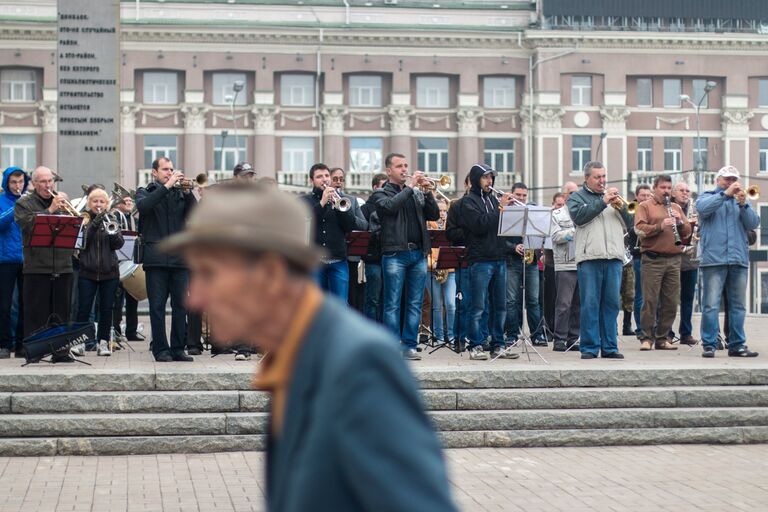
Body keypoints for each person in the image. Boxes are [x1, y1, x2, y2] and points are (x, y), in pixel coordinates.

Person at [160, 182, 457, 512]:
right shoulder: (293, 358)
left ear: (270, 271)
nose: (196, 295)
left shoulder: (358, 363)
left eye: (209, 273)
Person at [370, 153, 439, 360]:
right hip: (394, 253)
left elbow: (434, 215)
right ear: (389, 171)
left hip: (417, 253)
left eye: (406, 165)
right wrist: (411, 187)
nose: (404, 169)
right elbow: (391, 207)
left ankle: (409, 344)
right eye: (399, 166)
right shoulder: (381, 194)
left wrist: (427, 193)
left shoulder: (416, 194)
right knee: (392, 302)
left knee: (415, 302)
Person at [567, 161, 631, 360]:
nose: (602, 180)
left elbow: (632, 221)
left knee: (612, 304)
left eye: (604, 176)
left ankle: (610, 346)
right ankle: (590, 347)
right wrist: (603, 202)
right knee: (590, 303)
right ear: (586, 178)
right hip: (590, 258)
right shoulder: (576, 197)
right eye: (597, 177)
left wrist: (621, 206)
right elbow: (579, 217)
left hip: (613, 257)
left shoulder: (616, 199)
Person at [135, 157, 197, 362]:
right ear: (154, 172)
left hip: (180, 259)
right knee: (157, 307)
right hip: (156, 258)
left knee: (181, 306)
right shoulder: (145, 192)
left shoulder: (180, 194)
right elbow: (144, 208)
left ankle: (178, 348)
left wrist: (188, 194)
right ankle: (161, 349)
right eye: (165, 169)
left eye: (171, 169)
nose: (169, 172)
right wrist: (168, 186)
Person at [696, 165, 760, 358]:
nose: (731, 183)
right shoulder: (707, 196)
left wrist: (743, 204)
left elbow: (753, 223)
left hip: (738, 259)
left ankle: (737, 345)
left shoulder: (741, 201)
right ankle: (709, 344)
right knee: (711, 304)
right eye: (727, 179)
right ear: (718, 180)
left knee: (738, 305)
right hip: (714, 259)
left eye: (734, 179)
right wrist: (725, 195)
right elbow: (703, 209)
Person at [14, 166, 76, 362]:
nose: (48, 185)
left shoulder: (61, 200)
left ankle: (61, 351)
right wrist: (50, 210)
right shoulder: (24, 203)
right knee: (35, 312)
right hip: (36, 266)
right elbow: (26, 224)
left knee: (62, 312)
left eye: (50, 181)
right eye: (43, 182)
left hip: (63, 264)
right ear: (34, 183)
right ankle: (34, 352)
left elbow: (76, 227)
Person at [462, 164, 518, 360]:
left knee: (500, 306)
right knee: (478, 306)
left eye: (491, 178)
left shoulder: (494, 201)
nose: (490, 182)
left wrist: (509, 212)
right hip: (480, 260)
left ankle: (498, 345)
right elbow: (479, 225)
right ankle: (475, 345)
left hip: (499, 258)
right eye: (485, 178)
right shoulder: (468, 202)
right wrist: (501, 208)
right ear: (477, 179)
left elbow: (501, 227)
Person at [634, 175, 691, 351]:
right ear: (655, 188)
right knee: (650, 300)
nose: (666, 191)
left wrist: (680, 222)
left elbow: (688, 232)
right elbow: (639, 229)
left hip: (674, 259)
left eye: (668, 188)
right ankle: (646, 337)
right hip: (653, 259)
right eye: (663, 187)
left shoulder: (675, 207)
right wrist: (660, 226)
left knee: (671, 301)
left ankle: (662, 337)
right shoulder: (645, 206)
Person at [75, 188, 125, 356]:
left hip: (109, 272)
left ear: (106, 204)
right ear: (89, 203)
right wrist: (95, 224)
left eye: (102, 202)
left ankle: (103, 342)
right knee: (83, 308)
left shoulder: (112, 218)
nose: (98, 204)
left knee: (106, 309)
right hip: (87, 272)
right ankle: (80, 342)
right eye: (95, 201)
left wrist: (112, 231)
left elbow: (118, 244)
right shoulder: (84, 219)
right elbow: (82, 243)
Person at [302, 163, 356, 301]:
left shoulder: (340, 200)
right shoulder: (304, 201)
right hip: (315, 262)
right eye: (319, 176)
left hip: (338, 260)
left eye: (326, 176)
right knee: (314, 306)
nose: (325, 179)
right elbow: (307, 223)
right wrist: (322, 202)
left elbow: (349, 226)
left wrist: (338, 206)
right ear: (311, 181)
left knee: (341, 305)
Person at [504, 182, 545, 346]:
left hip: (531, 261)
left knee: (533, 300)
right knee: (512, 300)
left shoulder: (533, 213)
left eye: (524, 196)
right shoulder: (504, 213)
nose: (521, 198)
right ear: (512, 195)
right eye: (518, 195)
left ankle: (537, 335)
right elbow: (499, 239)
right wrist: (513, 247)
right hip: (511, 261)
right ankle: (512, 335)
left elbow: (541, 235)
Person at [329, 167, 368, 311]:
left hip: (349, 256)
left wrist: (347, 212)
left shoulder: (351, 200)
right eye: (335, 179)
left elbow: (364, 225)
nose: (338, 183)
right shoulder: (323, 200)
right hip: (327, 254)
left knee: (347, 297)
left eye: (341, 179)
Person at [0, 167, 28, 358]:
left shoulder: (29, 201)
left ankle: (20, 345)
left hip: (27, 259)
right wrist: (16, 206)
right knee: (4, 305)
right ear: (6, 184)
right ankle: (3, 344)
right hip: (5, 260)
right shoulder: (2, 201)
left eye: (20, 182)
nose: (18, 186)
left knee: (26, 304)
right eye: (13, 182)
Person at [550, 181, 580, 352]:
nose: (574, 195)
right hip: (565, 263)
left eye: (577, 192)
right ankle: (559, 339)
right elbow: (555, 236)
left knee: (578, 304)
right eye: (571, 192)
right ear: (565, 195)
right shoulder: (557, 214)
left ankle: (573, 338)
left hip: (582, 261)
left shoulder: (584, 212)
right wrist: (575, 231)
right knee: (564, 304)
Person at [111, 195, 142, 343]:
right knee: (117, 299)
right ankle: (116, 330)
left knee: (133, 298)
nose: (129, 203)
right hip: (118, 262)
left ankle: (131, 330)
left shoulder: (133, 220)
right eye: (126, 201)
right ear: (118, 204)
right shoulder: (116, 217)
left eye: (131, 201)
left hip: (131, 262)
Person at [672, 181, 699, 346]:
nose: (685, 193)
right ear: (674, 193)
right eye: (681, 190)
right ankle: (666, 333)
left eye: (687, 190)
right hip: (671, 259)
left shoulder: (695, 208)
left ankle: (686, 333)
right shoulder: (667, 207)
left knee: (688, 299)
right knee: (669, 299)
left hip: (691, 259)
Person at [426, 199, 455, 346]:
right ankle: (438, 337)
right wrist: (433, 263)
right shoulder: (428, 226)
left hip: (449, 270)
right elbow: (426, 251)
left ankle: (451, 336)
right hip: (432, 270)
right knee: (436, 305)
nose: (442, 214)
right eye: (440, 211)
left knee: (451, 304)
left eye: (444, 211)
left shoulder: (450, 227)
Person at [361, 173, 387, 322]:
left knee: (387, 299)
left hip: (389, 256)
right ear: (375, 187)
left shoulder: (390, 205)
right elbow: (365, 233)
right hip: (373, 258)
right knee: (373, 298)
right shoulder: (366, 208)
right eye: (383, 186)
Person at [628, 184, 652, 336]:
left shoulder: (652, 207)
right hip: (638, 254)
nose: (646, 198)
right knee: (640, 294)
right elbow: (630, 229)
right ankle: (640, 328)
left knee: (651, 294)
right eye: (643, 195)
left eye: (648, 195)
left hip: (652, 252)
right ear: (637, 196)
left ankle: (651, 326)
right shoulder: (632, 208)